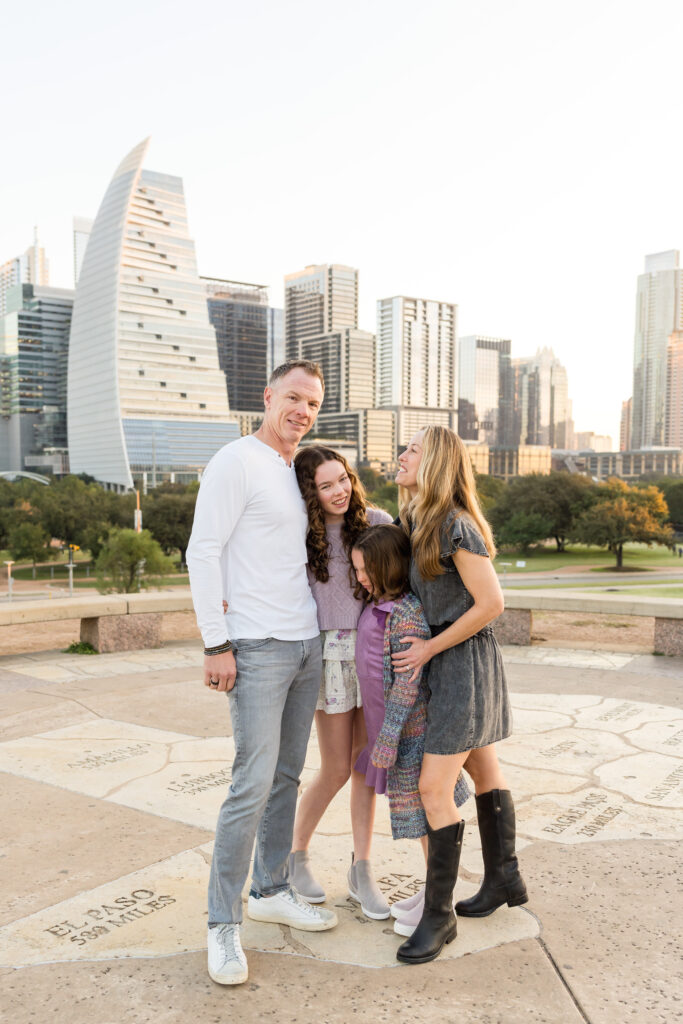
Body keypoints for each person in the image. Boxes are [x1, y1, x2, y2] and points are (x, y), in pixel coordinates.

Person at [186, 360, 338, 988]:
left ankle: (270, 887)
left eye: (313, 405)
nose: (302, 411)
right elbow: (204, 549)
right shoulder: (236, 461)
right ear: (268, 396)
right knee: (250, 782)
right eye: (294, 398)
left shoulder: (294, 470)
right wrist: (215, 642)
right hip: (255, 645)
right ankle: (223, 922)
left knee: (284, 776)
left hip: (306, 643)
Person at [390, 425, 528, 966]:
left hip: (461, 666)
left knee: (432, 788)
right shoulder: (415, 519)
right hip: (449, 665)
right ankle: (503, 879)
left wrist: (426, 649)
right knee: (486, 773)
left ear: (437, 463)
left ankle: (439, 915)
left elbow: (492, 602)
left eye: (412, 450)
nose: (401, 455)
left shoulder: (455, 525)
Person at [289, 446, 393, 920]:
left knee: (366, 767)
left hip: (373, 649)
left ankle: (362, 870)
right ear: (310, 492)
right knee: (335, 767)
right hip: (328, 655)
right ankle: (294, 858)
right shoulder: (298, 533)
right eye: (325, 485)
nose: (338, 491)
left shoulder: (376, 520)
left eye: (343, 479)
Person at [350, 524, 469, 938]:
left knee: (423, 814)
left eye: (366, 570)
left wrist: (386, 741)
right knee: (418, 819)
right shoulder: (376, 605)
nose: (361, 578)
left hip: (408, 734)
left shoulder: (406, 614)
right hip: (385, 729)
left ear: (387, 566)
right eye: (357, 570)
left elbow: (406, 685)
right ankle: (432, 889)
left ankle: (441, 899)